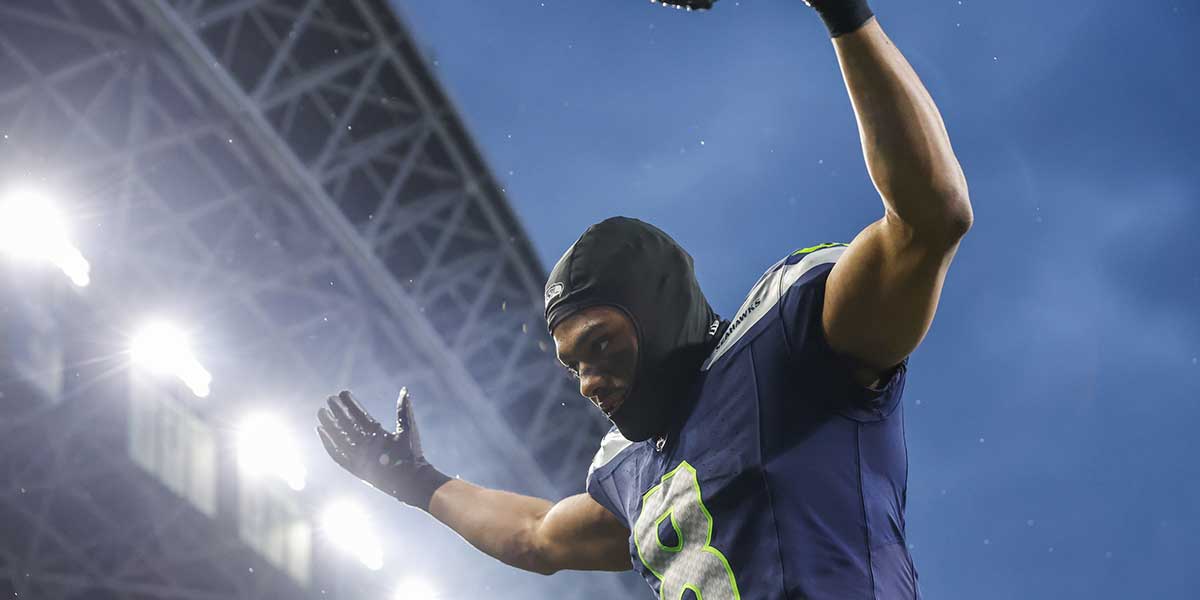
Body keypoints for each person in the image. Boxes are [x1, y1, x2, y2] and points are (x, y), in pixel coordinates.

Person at [316, 0, 972, 597]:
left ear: (656, 318)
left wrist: (843, 12)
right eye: (574, 365)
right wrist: (416, 483)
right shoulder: (634, 470)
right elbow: (537, 534)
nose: (588, 383)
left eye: (600, 346)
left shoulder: (790, 345)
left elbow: (929, 218)